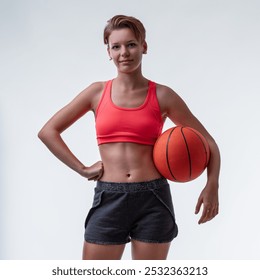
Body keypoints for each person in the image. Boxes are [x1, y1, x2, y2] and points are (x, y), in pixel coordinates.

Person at [38, 15, 220, 260]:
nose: (124, 52)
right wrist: (81, 168)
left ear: (144, 46)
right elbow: (48, 131)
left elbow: (208, 143)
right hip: (109, 196)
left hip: (153, 199)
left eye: (131, 44)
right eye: (116, 46)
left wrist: (212, 185)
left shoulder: (163, 96)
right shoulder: (96, 92)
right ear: (109, 52)